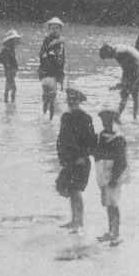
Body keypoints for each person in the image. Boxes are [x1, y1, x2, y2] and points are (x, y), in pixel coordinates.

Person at [55, 87, 96, 232]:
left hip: (81, 160)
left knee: (75, 190)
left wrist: (83, 156)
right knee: (66, 188)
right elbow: (61, 139)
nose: (72, 103)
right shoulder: (65, 117)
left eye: (74, 100)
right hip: (69, 159)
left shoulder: (86, 118)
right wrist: (61, 156)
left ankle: (79, 222)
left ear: (79, 102)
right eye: (70, 100)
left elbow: (91, 141)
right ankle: (74, 220)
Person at [93, 109, 128, 244]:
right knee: (108, 202)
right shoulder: (103, 135)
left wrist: (115, 177)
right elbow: (99, 153)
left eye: (107, 121)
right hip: (104, 170)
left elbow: (122, 161)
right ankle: (111, 231)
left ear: (112, 122)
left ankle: (116, 233)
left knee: (113, 203)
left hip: (114, 172)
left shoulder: (118, 138)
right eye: (103, 121)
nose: (104, 124)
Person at [98, 41, 139, 119]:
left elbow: (129, 69)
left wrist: (122, 84)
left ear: (109, 51)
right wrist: (122, 83)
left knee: (126, 94)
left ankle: (119, 116)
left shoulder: (119, 54)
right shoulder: (117, 49)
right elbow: (126, 69)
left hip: (138, 69)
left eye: (108, 56)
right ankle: (134, 118)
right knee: (133, 94)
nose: (110, 58)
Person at [37, 18, 66, 119]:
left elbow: (62, 58)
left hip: (55, 70)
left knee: (52, 98)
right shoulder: (48, 39)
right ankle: (45, 115)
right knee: (46, 96)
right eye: (52, 28)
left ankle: (50, 119)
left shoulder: (61, 42)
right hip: (47, 69)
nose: (54, 30)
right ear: (50, 28)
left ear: (59, 29)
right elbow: (42, 53)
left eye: (56, 28)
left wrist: (61, 78)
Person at [0, 31, 22, 103]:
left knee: (8, 87)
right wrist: (6, 64)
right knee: (13, 88)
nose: (15, 42)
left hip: (11, 70)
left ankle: (7, 101)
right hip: (9, 70)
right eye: (14, 40)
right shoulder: (6, 49)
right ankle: (11, 102)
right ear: (10, 41)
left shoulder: (11, 49)